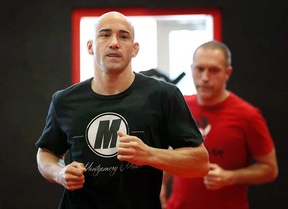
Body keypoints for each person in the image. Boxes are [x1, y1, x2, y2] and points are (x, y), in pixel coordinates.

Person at [35, 11, 209, 209]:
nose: (114, 43)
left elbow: (200, 163)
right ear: (90, 46)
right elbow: (46, 153)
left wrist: (149, 154)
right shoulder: (65, 100)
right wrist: (60, 173)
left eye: (123, 36)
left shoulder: (163, 95)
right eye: (105, 34)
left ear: (134, 49)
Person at [160, 40, 279, 209]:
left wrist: (231, 177)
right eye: (200, 69)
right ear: (192, 69)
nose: (205, 77)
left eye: (214, 70)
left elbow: (270, 169)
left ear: (227, 73)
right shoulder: (181, 106)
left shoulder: (248, 116)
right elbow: (175, 155)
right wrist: (161, 183)